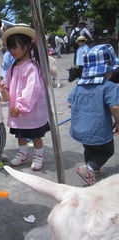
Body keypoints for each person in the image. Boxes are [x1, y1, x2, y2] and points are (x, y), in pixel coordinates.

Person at [67, 44, 119, 186]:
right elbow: (115, 107)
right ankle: (90, 169)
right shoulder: (109, 87)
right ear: (108, 71)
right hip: (99, 129)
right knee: (106, 150)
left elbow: (69, 104)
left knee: (89, 148)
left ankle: (91, 168)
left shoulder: (79, 86)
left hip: (80, 128)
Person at [1, 24, 50, 171]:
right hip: (16, 109)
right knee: (20, 134)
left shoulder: (32, 67)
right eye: (10, 48)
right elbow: (8, 84)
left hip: (29, 109)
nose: (12, 51)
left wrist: (20, 107)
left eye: (15, 47)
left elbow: (32, 90)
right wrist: (3, 88)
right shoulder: (13, 66)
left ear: (28, 45)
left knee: (35, 135)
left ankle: (38, 155)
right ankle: (22, 153)